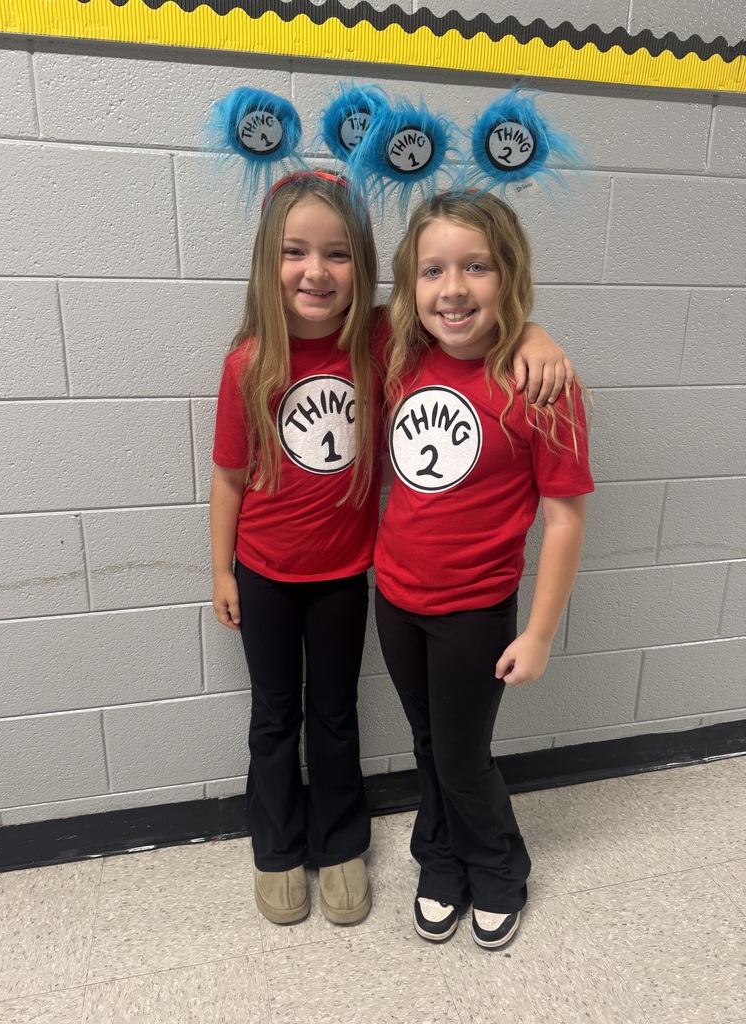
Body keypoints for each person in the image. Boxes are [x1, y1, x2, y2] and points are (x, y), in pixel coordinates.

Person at [209, 171, 574, 928]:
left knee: (343, 717)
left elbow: (463, 312)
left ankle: (352, 847)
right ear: (267, 260)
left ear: (365, 267)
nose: (316, 272)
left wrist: (535, 332)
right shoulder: (256, 361)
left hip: (356, 577)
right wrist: (220, 569)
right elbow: (228, 475)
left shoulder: (381, 342)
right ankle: (283, 850)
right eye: (295, 252)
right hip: (279, 574)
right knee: (278, 718)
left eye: (338, 254)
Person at [374, 191, 594, 949]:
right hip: (393, 598)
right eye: (432, 270)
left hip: (474, 611)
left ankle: (498, 868)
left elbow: (565, 519)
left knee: (463, 757)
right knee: (428, 745)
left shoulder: (544, 387)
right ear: (410, 284)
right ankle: (439, 861)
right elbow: (324, 310)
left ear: (510, 276)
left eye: (477, 267)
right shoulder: (398, 357)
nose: (453, 288)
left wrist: (539, 633)